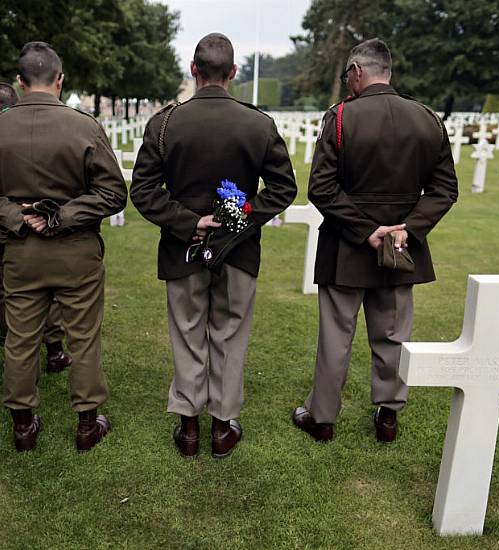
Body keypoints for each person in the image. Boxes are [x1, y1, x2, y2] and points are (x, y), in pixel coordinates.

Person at [131, 33, 297, 458]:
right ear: (234, 73)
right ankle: (221, 428)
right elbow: (282, 189)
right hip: (238, 249)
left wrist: (192, 223)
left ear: (194, 70)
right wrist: (234, 222)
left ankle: (190, 429)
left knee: (188, 334)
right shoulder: (258, 123)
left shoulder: (165, 122)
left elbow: (144, 192)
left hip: (183, 246)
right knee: (230, 334)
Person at [0, 42, 126, 452]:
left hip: (22, 249)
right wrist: (57, 217)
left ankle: (23, 425)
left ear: (20, 82)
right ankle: (86, 424)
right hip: (75, 251)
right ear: (60, 79)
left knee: (20, 337)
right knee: (83, 336)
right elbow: (113, 193)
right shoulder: (85, 126)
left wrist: (22, 217)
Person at [292, 38, 458, 443]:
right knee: (393, 334)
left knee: (336, 337)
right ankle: (388, 416)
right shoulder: (428, 119)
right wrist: (408, 228)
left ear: (358, 72)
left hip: (347, 247)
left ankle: (323, 418)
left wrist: (366, 231)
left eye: (346, 74)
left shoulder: (343, 117)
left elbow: (322, 188)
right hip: (401, 248)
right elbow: (444, 189)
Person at [0, 82, 72, 373]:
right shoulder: (31, 131)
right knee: (47, 288)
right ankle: (54, 349)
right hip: (35, 223)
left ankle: (15, 351)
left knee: (4, 291)